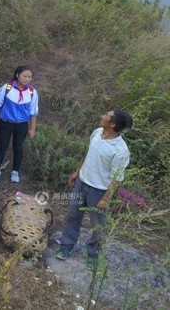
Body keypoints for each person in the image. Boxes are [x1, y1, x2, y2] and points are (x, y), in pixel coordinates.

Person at [56, 109, 133, 271]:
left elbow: (117, 178)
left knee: (98, 225)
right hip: (82, 183)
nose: (102, 115)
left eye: (106, 115)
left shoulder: (120, 150)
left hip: (99, 191)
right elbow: (90, 155)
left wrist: (105, 198)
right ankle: (66, 245)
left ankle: (93, 254)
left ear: (112, 124)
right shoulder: (97, 133)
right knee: (72, 216)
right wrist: (78, 171)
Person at [0, 65, 39, 184]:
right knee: (2, 146)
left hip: (22, 125)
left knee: (18, 147)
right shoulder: (6, 88)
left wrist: (32, 128)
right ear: (17, 75)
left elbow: (33, 112)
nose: (27, 79)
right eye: (24, 76)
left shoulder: (32, 92)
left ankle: (15, 171)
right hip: (6, 123)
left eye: (29, 77)